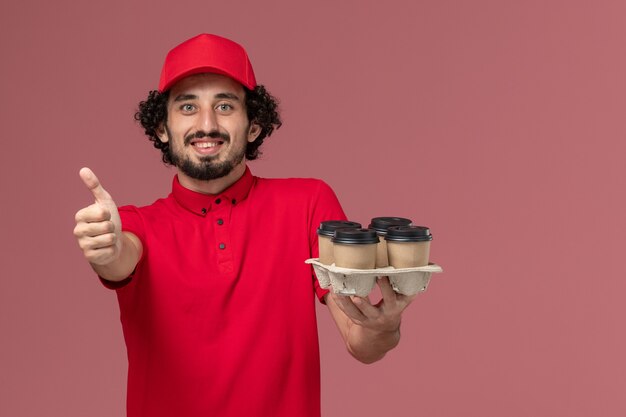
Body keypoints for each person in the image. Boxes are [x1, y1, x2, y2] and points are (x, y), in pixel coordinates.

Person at [73, 33, 417, 417]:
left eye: (224, 105)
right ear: (162, 129)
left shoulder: (309, 203)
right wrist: (107, 245)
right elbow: (120, 256)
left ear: (254, 125)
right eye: (188, 107)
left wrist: (384, 326)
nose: (206, 124)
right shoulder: (135, 225)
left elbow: (360, 343)